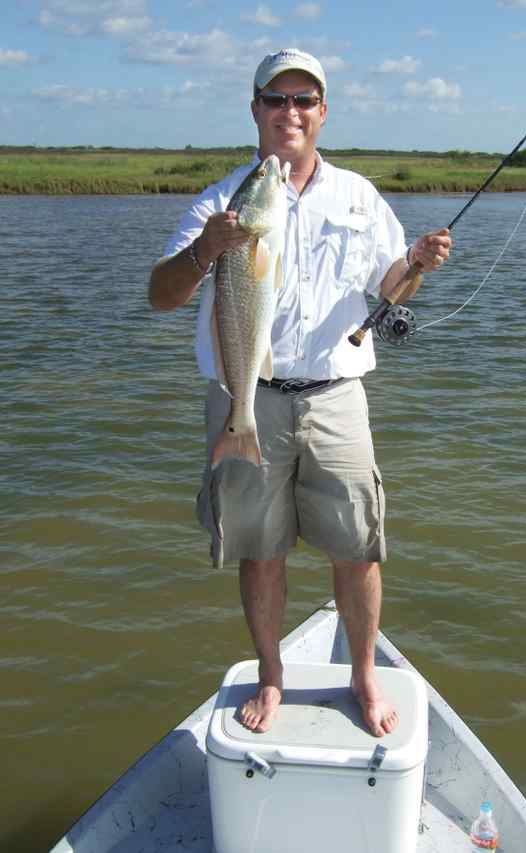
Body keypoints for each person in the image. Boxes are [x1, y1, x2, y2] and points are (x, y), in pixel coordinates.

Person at [148, 49, 452, 738]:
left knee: (358, 546)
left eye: (304, 100)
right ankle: (271, 673)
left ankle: (364, 674)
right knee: (260, 550)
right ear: (255, 109)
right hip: (245, 394)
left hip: (337, 396)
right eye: (276, 98)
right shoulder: (225, 200)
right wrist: (205, 250)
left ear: (323, 112)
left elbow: (391, 287)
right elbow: (161, 297)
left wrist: (417, 264)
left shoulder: (359, 196)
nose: (290, 112)